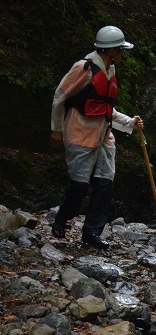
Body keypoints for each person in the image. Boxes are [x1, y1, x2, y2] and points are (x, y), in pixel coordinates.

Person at [50, 25, 144, 249]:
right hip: (80, 132)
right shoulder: (83, 68)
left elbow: (106, 108)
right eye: (121, 50)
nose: (123, 54)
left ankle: (91, 232)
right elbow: (59, 97)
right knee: (79, 185)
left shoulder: (110, 70)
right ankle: (61, 219)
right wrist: (56, 130)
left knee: (105, 183)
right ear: (111, 51)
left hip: (103, 135)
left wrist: (129, 122)